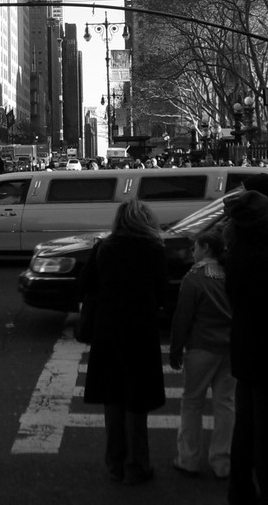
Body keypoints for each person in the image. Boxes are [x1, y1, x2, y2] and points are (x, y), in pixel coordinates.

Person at [80, 199, 166, 485]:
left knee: (112, 397)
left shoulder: (104, 248)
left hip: (108, 329)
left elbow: (87, 285)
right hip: (140, 331)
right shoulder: (154, 249)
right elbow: (162, 290)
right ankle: (137, 466)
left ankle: (115, 463)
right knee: (137, 400)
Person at [223, 189, 268, 505]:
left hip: (244, 347)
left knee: (246, 425)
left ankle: (240, 488)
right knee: (266, 429)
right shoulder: (265, 257)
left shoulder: (237, 253)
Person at [170, 230, 235, 479]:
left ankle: (188, 458)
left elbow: (183, 317)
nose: (192, 252)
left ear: (206, 248)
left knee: (192, 403)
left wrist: (176, 348)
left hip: (201, 347)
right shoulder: (228, 275)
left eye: (195, 247)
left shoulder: (194, 278)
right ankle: (222, 461)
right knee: (226, 404)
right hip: (228, 347)